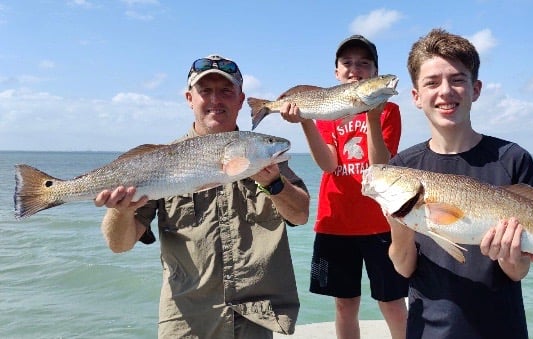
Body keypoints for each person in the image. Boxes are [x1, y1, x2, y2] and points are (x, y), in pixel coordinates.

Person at [93, 54, 311, 339]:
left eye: (225, 91)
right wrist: (119, 211)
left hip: (254, 317)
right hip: (187, 320)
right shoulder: (162, 159)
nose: (215, 100)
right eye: (205, 91)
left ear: (240, 99)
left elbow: (301, 214)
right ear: (189, 98)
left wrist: (274, 184)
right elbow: (119, 244)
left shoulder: (261, 153)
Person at [386, 28, 533, 339]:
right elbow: (404, 267)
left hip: (501, 328)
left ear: (476, 89)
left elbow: (518, 270)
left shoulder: (513, 159)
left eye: (457, 79)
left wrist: (511, 257)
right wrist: (401, 222)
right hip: (427, 329)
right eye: (431, 82)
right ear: (416, 96)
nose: (445, 91)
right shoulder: (402, 169)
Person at [279, 35, 408, 339]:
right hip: (334, 222)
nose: (355, 69)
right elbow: (327, 164)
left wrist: (372, 119)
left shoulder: (389, 111)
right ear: (336, 72)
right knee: (344, 303)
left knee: (392, 302)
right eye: (347, 63)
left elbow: (381, 166)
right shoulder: (327, 111)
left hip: (381, 222)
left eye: (364, 63)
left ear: (375, 73)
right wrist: (306, 121)